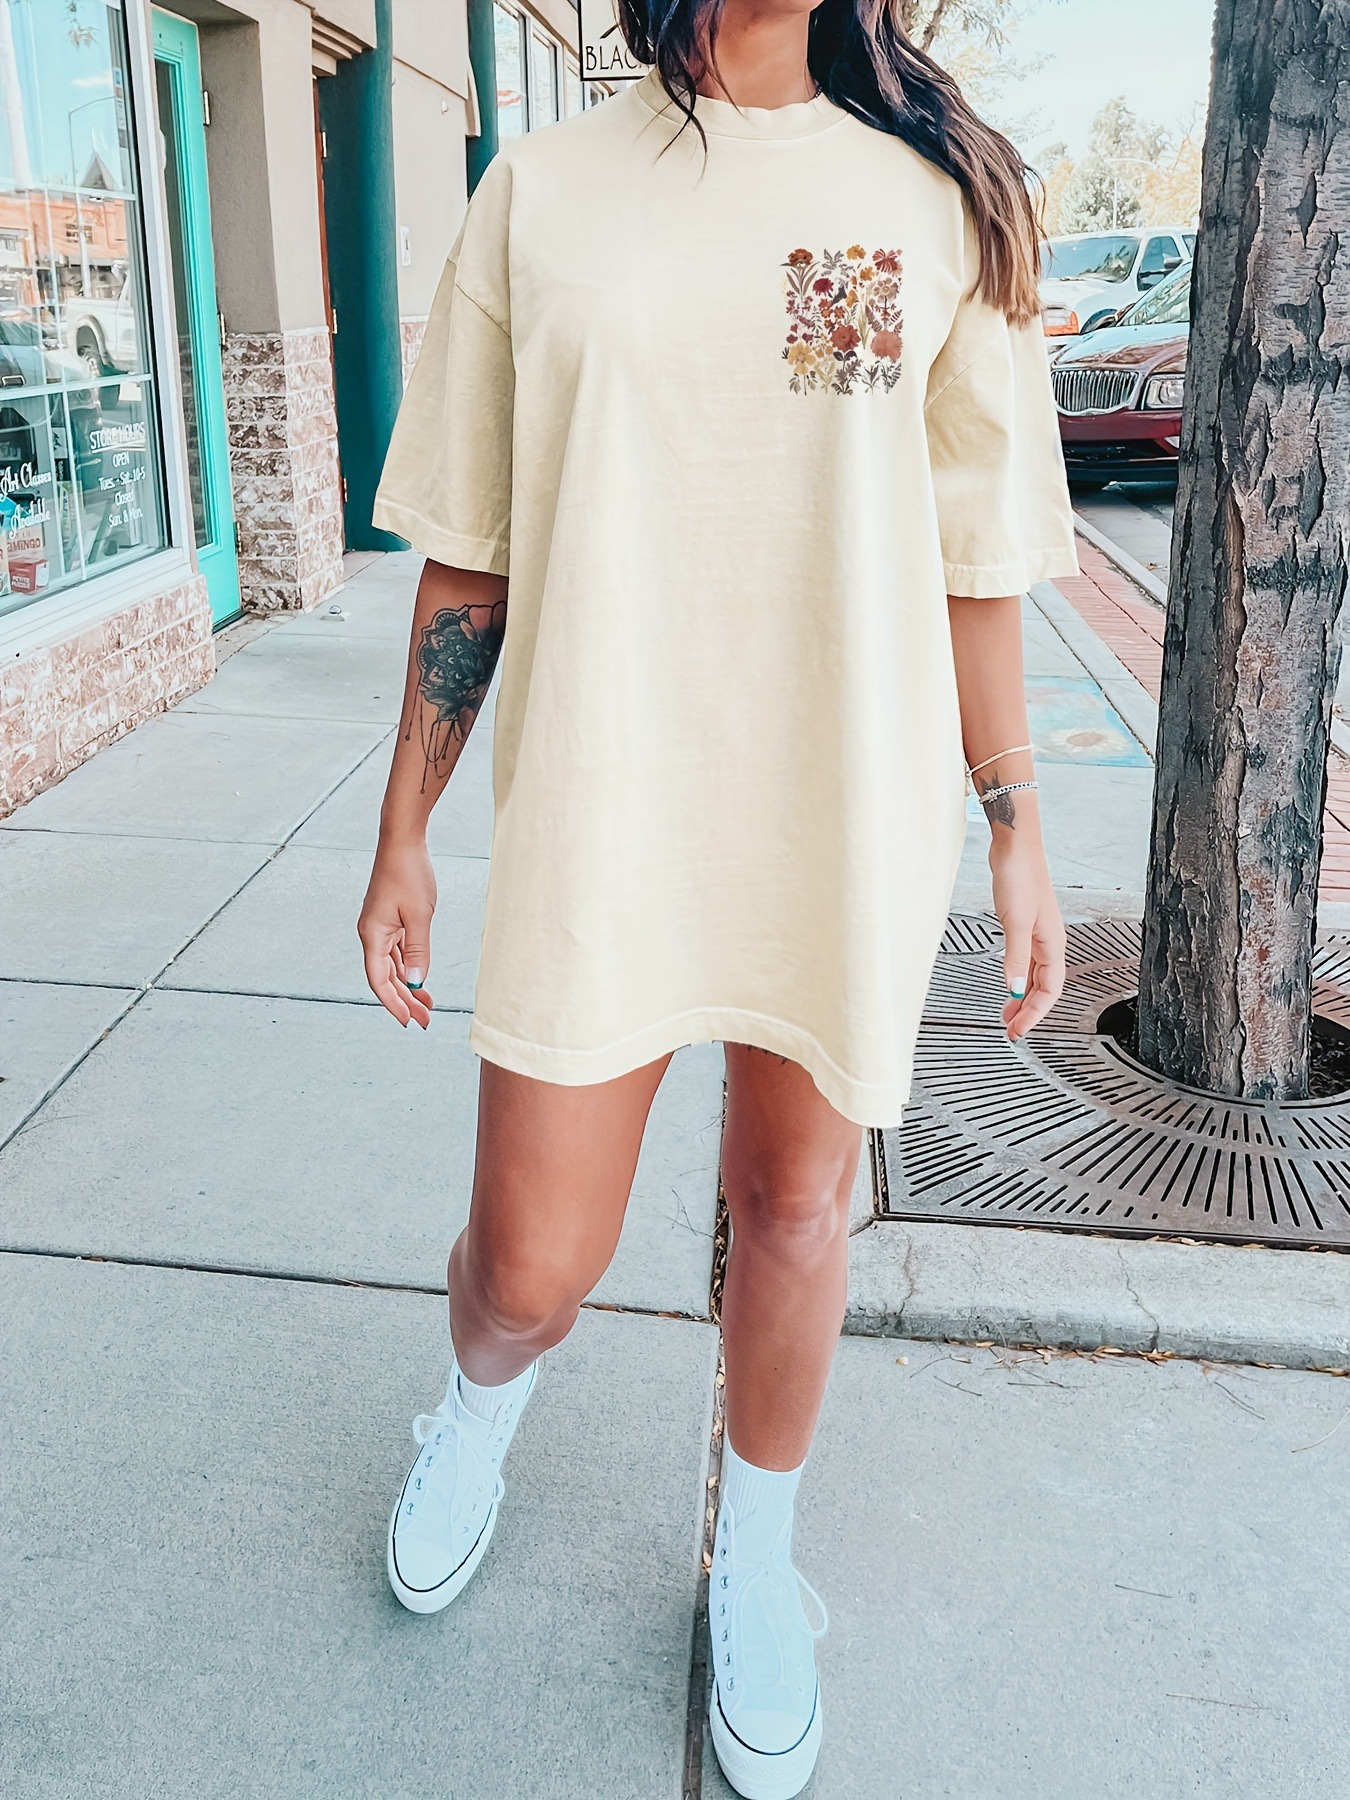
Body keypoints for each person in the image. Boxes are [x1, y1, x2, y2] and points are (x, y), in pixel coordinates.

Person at [358, 0, 1076, 1789]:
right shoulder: (541, 190)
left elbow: (974, 558)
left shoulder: (935, 201)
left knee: (795, 1203)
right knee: (528, 1263)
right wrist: (403, 831)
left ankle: (754, 1552)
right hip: (599, 807)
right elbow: (470, 544)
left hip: (837, 808)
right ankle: (478, 1405)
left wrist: (1014, 822)